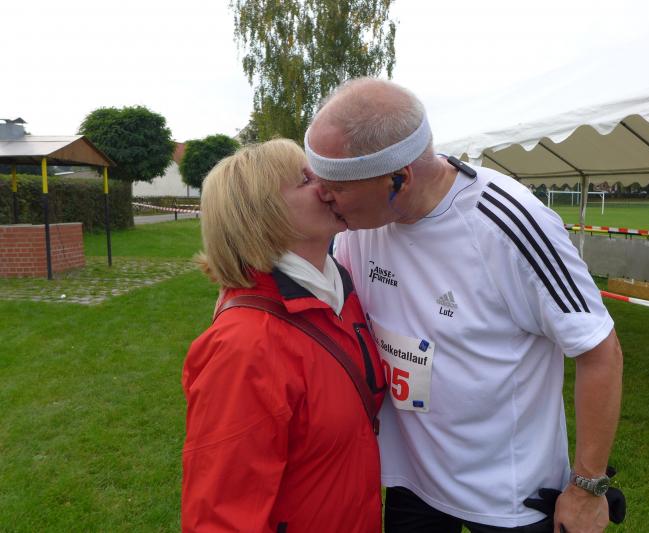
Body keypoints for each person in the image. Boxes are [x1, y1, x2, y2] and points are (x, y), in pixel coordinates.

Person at [305, 78, 623, 533]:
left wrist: (588, 487)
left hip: (508, 496)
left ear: (398, 179)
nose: (322, 196)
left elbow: (599, 349)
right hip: (411, 484)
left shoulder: (508, 223)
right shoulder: (359, 227)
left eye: (336, 185)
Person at [181, 139, 386, 532]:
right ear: (264, 215)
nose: (327, 184)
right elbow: (221, 515)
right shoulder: (244, 346)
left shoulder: (340, 289)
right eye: (305, 180)